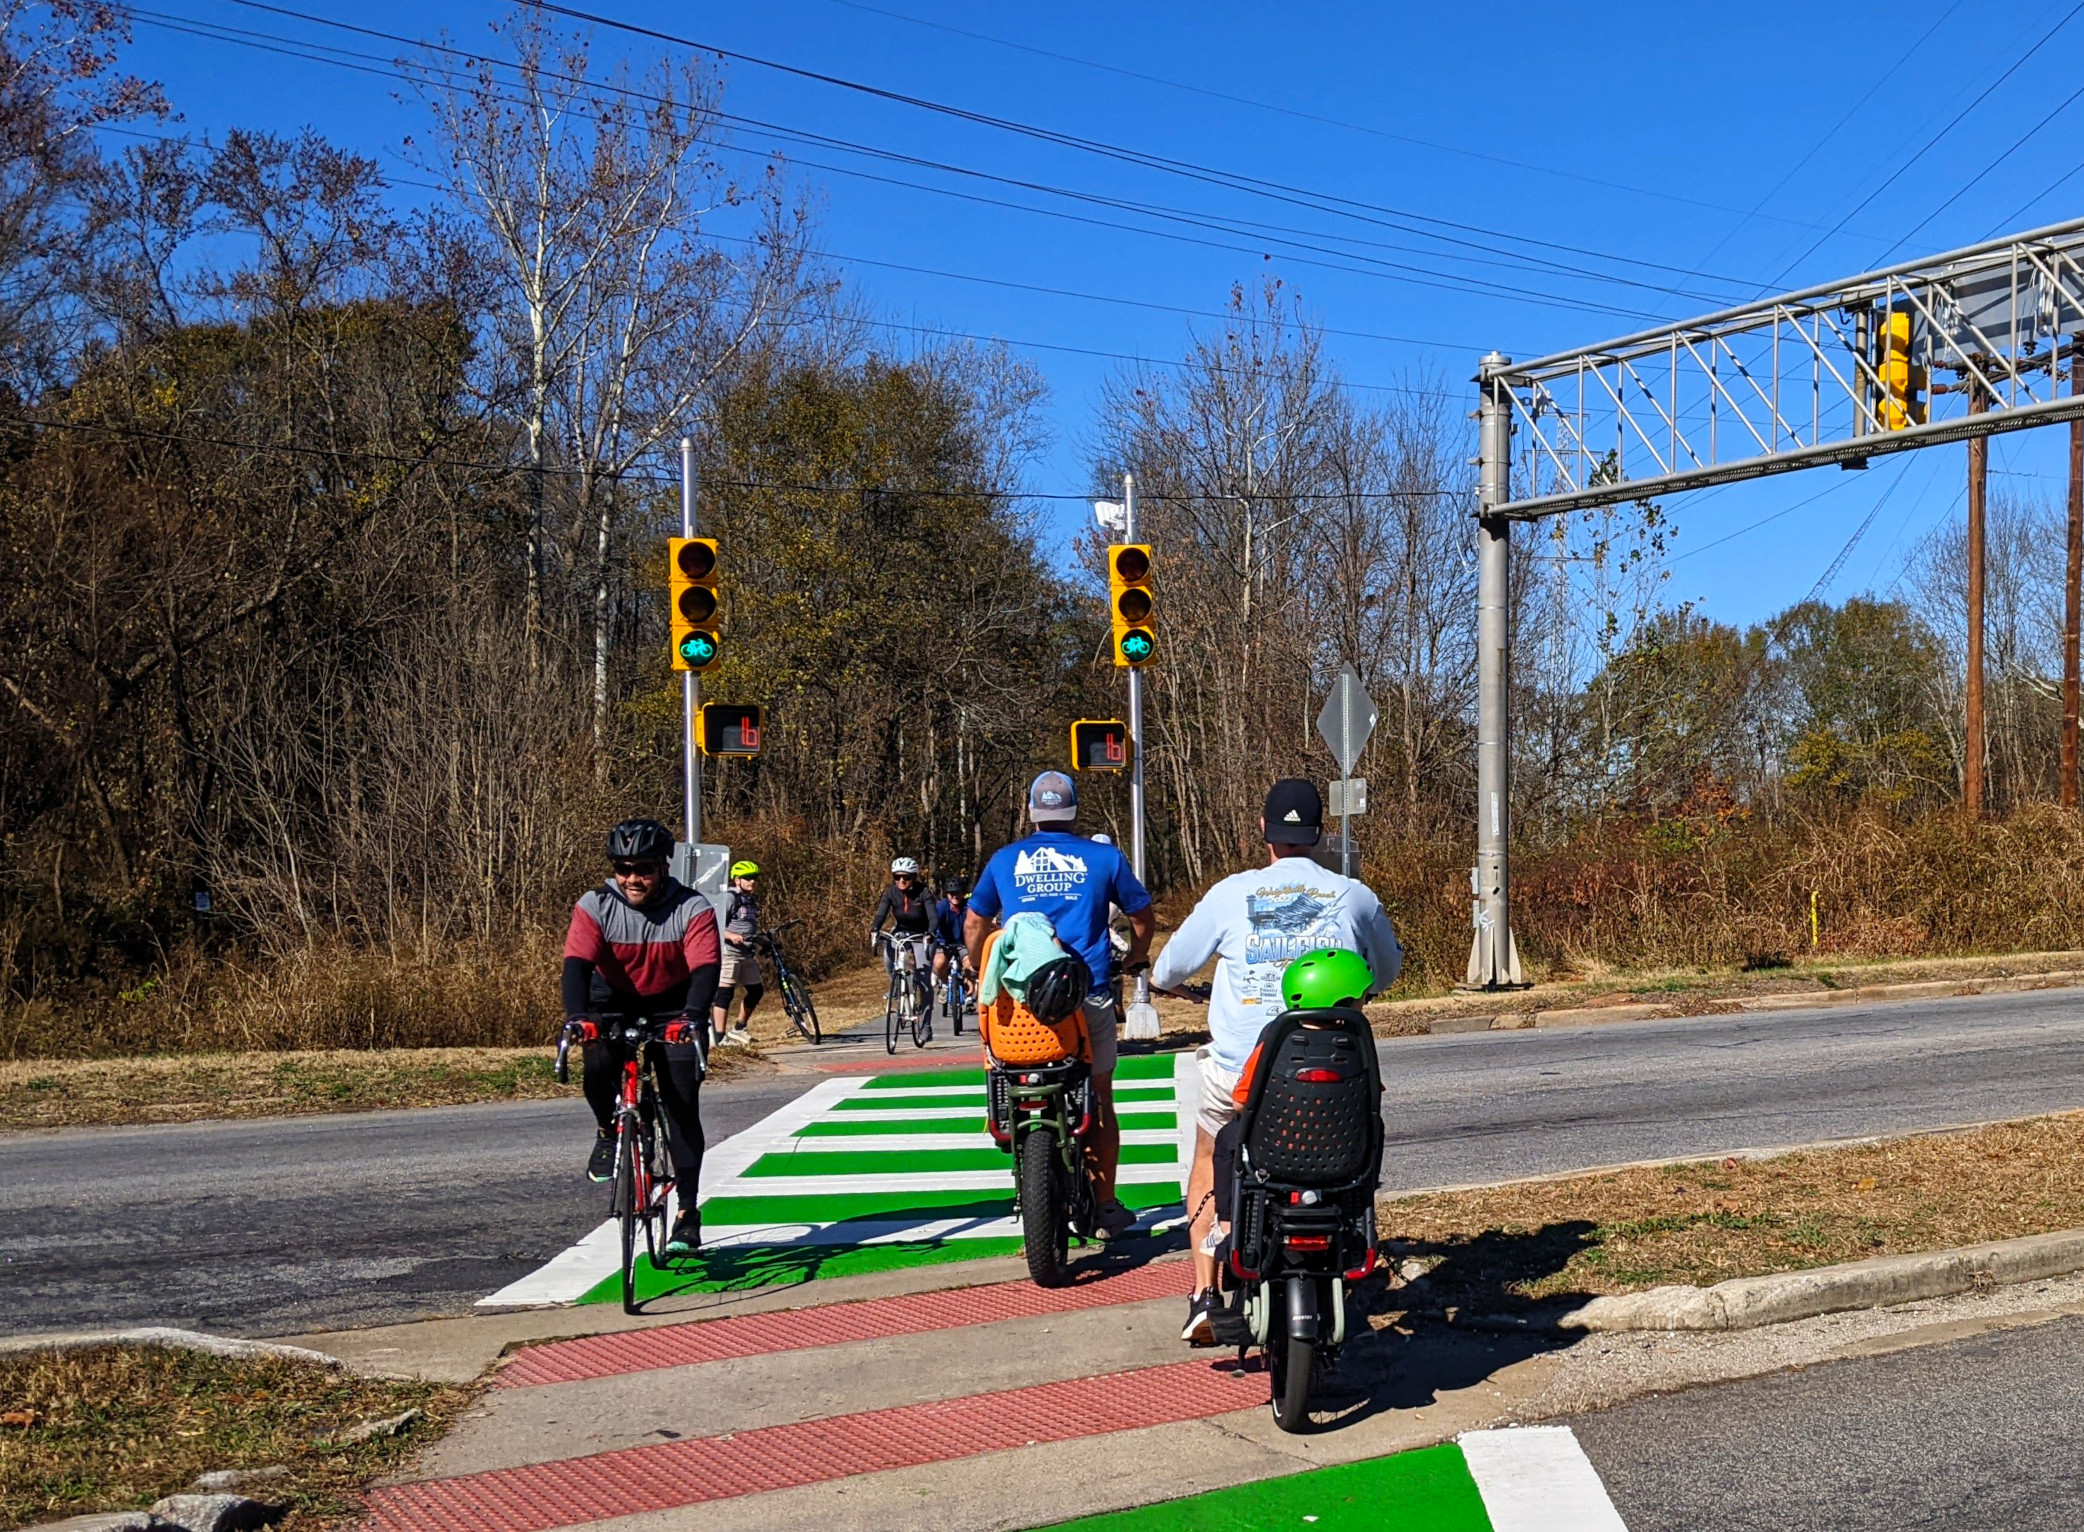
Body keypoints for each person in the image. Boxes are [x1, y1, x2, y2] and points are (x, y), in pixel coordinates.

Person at [1150, 778, 1402, 1344]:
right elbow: (1385, 972)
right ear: (1319, 835)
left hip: (1243, 1073)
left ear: (1264, 830)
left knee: (1209, 1148)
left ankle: (1204, 1293)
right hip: (1333, 1067)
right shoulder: (1355, 896)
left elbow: (1167, 970)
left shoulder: (1228, 895)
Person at [965, 771, 1156, 1239]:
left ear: (1033, 811)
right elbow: (1141, 916)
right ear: (1073, 812)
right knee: (1100, 1096)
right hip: (1085, 993)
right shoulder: (1104, 857)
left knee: (1012, 1079)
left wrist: (978, 966)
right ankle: (1106, 1206)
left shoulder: (1005, 860)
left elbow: (974, 923)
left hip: (1019, 1002)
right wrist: (1133, 957)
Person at [563, 819, 720, 1256]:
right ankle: (607, 1131)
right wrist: (578, 1017)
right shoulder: (595, 905)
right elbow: (576, 964)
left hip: (674, 1006)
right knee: (596, 1060)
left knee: (681, 1104)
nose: (633, 878)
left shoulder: (693, 907)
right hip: (611, 1000)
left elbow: (705, 969)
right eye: (623, 868)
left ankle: (687, 1214)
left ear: (663, 867)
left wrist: (691, 1016)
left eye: (644, 868)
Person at [871, 857, 936, 1010]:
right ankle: (895, 985)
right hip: (901, 931)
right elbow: (881, 914)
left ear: (913, 877)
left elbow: (933, 917)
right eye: (897, 877)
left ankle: (925, 1025)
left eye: (906, 877)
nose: (901, 880)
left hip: (922, 934)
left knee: (923, 977)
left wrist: (930, 932)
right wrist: (875, 928)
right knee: (888, 957)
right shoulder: (891, 893)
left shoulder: (924, 892)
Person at [712, 861, 764, 1049]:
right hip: (729, 953)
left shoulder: (750, 900)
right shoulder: (730, 898)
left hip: (746, 952)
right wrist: (731, 936)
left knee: (756, 990)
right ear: (737, 880)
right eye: (748, 878)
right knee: (725, 993)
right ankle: (719, 1036)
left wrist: (759, 939)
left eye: (755, 878)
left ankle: (739, 1028)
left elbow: (748, 925)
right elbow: (715, 924)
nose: (752, 882)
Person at [931, 874, 970, 1029]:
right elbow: (933, 922)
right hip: (944, 942)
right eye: (951, 894)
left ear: (963, 893)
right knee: (940, 964)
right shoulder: (941, 907)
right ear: (947, 895)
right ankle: (945, 985)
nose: (955, 897)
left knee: (970, 965)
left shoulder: (968, 907)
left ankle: (968, 990)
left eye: (958, 893)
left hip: (962, 943)